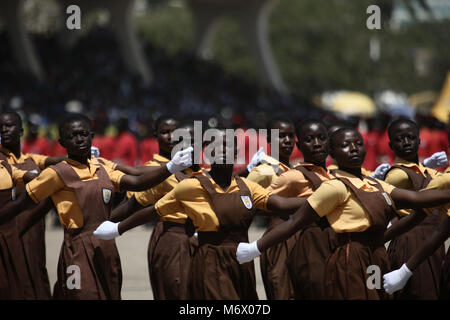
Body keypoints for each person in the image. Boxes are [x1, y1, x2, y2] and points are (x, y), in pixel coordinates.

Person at [237, 127, 450, 300]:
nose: (353, 149)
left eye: (358, 143)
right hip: (350, 257)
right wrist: (256, 248)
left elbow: (418, 199)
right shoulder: (336, 187)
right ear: (334, 153)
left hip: (375, 256)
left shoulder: (374, 184)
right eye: (345, 145)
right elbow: (295, 221)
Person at [94, 126, 306, 300]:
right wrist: (117, 228)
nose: (223, 150)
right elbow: (155, 211)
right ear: (209, 153)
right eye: (217, 146)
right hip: (211, 261)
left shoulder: (247, 187)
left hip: (242, 262)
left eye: (228, 146)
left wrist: (320, 199)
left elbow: (282, 204)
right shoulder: (192, 186)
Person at [0, 113, 193, 300]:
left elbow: (136, 182)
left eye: (83, 134)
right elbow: (23, 204)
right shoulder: (56, 173)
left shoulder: (102, 168)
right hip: (77, 247)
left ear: (91, 137)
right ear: (62, 143)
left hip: (106, 246)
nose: (79, 139)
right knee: (80, 294)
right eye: (72, 136)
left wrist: (170, 168)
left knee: (111, 293)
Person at [110, 119, 198, 300]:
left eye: (177, 132)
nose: (172, 137)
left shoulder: (194, 169)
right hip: (172, 235)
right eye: (166, 132)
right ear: (155, 136)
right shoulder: (154, 170)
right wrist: (104, 224)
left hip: (198, 237)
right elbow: (131, 205)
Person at [0, 111, 68, 299]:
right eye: (1, 127)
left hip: (34, 227)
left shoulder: (31, 159)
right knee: (12, 275)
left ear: (21, 130)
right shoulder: (1, 161)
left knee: (36, 269)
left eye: (9, 126)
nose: (4, 130)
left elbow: (55, 161)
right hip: (8, 228)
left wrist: (81, 153)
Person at [268, 119, 335, 299]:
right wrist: (309, 202)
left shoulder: (335, 175)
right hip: (300, 243)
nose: (317, 144)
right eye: (309, 139)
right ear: (300, 145)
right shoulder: (292, 177)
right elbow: (260, 201)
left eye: (322, 138)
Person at [383, 117, 445, 299]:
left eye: (411, 137)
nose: (406, 142)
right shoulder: (397, 175)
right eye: (399, 139)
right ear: (390, 144)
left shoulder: (426, 171)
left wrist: (425, 166)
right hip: (411, 239)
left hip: (432, 238)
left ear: (419, 140)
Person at [246, 117, 295, 300]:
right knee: (280, 290)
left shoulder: (296, 168)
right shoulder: (263, 171)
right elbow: (241, 201)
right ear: (269, 139)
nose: (288, 141)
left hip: (301, 237)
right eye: (281, 136)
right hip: (278, 238)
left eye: (291, 135)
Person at [383, 171, 450, 298]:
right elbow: (416, 214)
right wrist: (378, 241)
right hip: (413, 240)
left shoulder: (433, 173)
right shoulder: (445, 180)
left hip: (433, 243)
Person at [0, 160, 39, 299]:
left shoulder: (5, 167)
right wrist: (22, 203)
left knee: (15, 281)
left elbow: (30, 177)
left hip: (9, 238)